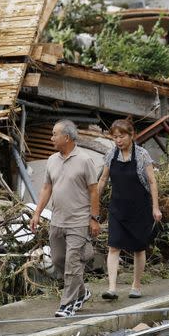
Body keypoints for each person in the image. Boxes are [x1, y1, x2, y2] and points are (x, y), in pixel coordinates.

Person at [29, 120, 100, 318]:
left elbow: (94, 191)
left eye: (54, 134)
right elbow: (46, 188)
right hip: (57, 220)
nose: (51, 138)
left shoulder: (85, 160)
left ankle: (67, 305)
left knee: (72, 263)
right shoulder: (51, 160)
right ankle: (82, 292)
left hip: (78, 221)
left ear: (66, 137)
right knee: (59, 259)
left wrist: (94, 218)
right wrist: (36, 213)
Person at [96, 119, 162, 300]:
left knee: (139, 248)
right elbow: (102, 180)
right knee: (113, 246)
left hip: (140, 208)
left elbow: (151, 182)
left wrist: (155, 208)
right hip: (117, 208)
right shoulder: (111, 155)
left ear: (131, 135)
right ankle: (111, 288)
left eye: (122, 136)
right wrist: (94, 202)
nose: (118, 140)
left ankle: (136, 285)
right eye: (115, 137)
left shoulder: (142, 155)